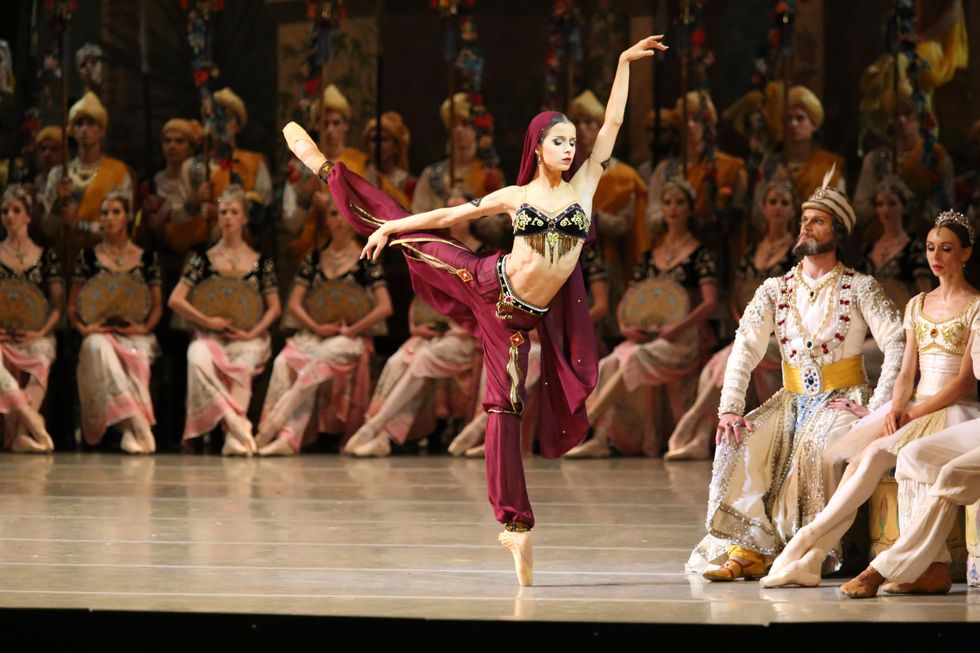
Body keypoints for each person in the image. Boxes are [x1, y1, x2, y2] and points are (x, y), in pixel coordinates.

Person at [284, 35, 667, 586]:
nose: (568, 148)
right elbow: (448, 214)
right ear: (538, 147)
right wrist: (395, 225)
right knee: (407, 238)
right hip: (483, 280)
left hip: (517, 322)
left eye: (570, 141)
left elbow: (611, 124)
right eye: (557, 141)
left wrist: (625, 64)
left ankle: (515, 530)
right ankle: (329, 172)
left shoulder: (588, 183)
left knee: (506, 409)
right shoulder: (516, 195)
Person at [687, 168, 905, 581]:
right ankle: (749, 548)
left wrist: (875, 409)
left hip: (842, 396)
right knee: (742, 438)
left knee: (818, 450)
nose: (805, 225)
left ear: (836, 231)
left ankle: (808, 550)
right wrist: (730, 409)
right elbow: (745, 348)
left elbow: (897, 341)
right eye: (804, 218)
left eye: (817, 219)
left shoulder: (860, 288)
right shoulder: (774, 289)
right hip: (790, 400)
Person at [759, 210, 979, 588]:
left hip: (949, 409)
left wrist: (914, 414)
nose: (935, 256)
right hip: (913, 405)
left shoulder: (975, 305)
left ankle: (805, 547)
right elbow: (907, 372)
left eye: (946, 248)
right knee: (864, 457)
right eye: (929, 248)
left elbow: (963, 383)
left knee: (887, 456)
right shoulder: (918, 303)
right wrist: (896, 407)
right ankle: (810, 554)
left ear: (966, 254)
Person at [564, 177, 718, 458]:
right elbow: (630, 297)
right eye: (668, 202)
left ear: (690, 209)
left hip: (682, 337)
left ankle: (585, 420)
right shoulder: (650, 255)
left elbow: (710, 302)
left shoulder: (700, 254)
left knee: (634, 359)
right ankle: (602, 438)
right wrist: (624, 325)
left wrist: (678, 327)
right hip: (646, 335)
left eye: (679, 203)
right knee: (612, 362)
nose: (672, 209)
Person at [664, 179, 797, 461]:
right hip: (753, 328)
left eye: (784, 203)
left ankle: (691, 421)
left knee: (728, 359)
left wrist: (767, 327)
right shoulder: (752, 250)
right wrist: (744, 321)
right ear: (763, 207)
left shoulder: (796, 251)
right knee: (717, 364)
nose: (777, 208)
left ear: (792, 210)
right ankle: (700, 438)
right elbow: (738, 293)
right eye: (772, 201)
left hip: (783, 333)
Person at [342, 194, 480, 457]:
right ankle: (383, 437)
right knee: (399, 360)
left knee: (422, 360)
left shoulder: (482, 251)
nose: (453, 214)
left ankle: (377, 427)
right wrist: (415, 326)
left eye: (457, 208)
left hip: (466, 333)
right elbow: (423, 291)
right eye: (448, 208)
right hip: (434, 331)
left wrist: (455, 323)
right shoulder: (442, 245)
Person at [256, 191, 392, 456]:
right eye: (332, 214)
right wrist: (316, 327)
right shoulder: (314, 259)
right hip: (318, 333)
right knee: (284, 360)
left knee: (320, 359)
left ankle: (275, 427)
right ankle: (286, 435)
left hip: (350, 336)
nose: (339, 220)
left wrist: (353, 329)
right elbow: (294, 303)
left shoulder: (366, 258)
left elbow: (385, 306)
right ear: (326, 221)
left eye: (343, 215)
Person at [169, 186, 281, 456]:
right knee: (197, 358)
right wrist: (207, 319)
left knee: (244, 362)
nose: (228, 218)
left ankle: (233, 435)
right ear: (217, 218)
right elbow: (176, 300)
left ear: (244, 218)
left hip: (248, 336)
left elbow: (275, 308)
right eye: (223, 213)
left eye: (234, 212)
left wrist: (252, 332)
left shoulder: (261, 262)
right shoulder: (202, 260)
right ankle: (236, 423)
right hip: (210, 335)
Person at [68, 191, 162, 454]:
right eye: (105, 213)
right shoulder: (87, 257)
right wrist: (85, 328)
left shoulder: (147, 258)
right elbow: (73, 306)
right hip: (97, 331)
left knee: (139, 354)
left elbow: (156, 306)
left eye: (116, 212)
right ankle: (136, 423)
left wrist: (143, 328)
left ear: (128, 217)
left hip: (134, 333)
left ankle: (131, 430)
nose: (109, 218)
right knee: (99, 347)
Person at [567, 89, 648, 342]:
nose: (582, 129)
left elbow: (626, 223)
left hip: (608, 258)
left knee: (607, 327)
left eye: (589, 122)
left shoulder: (623, 176)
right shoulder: (564, 172)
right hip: (569, 258)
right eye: (577, 123)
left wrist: (591, 218)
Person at [0, 186, 62, 453]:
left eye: (16, 211)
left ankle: (19, 433)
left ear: (28, 216)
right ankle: (31, 420)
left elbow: (58, 304)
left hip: (35, 333)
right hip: (2, 335)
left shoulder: (46, 255)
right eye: (5, 211)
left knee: (44, 353)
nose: (10, 216)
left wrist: (41, 331)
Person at [41, 92, 133, 269]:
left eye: (91, 123)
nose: (84, 129)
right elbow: (47, 231)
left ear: (102, 130)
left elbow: (123, 224)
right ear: (72, 130)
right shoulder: (59, 174)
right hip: (64, 261)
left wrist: (80, 226)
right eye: (79, 124)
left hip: (104, 262)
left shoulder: (118, 172)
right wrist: (56, 208)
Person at [747, 85, 846, 228]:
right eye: (788, 119)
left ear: (814, 124)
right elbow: (757, 212)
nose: (793, 124)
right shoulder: (771, 165)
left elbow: (838, 214)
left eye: (800, 119)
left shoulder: (829, 166)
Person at [363, 111, 416, 207]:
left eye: (384, 139)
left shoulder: (409, 184)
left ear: (396, 146)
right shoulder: (359, 174)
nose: (378, 145)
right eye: (373, 139)